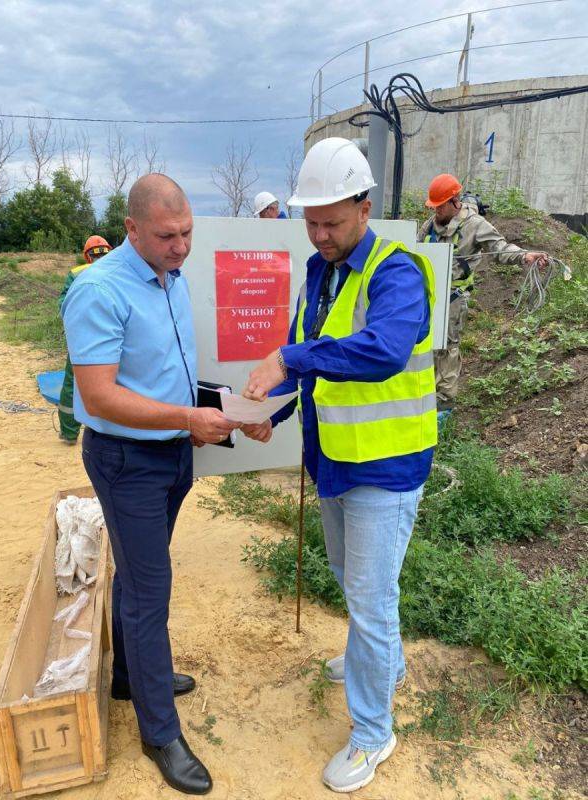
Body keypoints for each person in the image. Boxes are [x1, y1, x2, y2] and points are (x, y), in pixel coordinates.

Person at [241, 138, 437, 793]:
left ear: (365, 205)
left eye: (333, 221)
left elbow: (381, 351)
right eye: (311, 221)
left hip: (387, 466)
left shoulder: (398, 271)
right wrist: (277, 407)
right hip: (333, 459)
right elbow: (309, 349)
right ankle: (385, 663)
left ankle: (372, 734)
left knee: (370, 599)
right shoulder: (319, 271)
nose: (320, 234)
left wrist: (290, 363)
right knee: (350, 580)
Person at [62, 173, 240, 796]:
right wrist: (187, 418)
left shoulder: (171, 277)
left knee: (141, 574)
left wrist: (220, 412)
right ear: (132, 230)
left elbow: (169, 369)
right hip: (126, 461)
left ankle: (132, 677)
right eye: (167, 236)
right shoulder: (98, 289)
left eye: (187, 232)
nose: (181, 246)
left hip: (171, 454)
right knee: (149, 587)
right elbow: (99, 393)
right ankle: (158, 730)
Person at [418, 173, 548, 412]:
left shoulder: (475, 225)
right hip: (426, 296)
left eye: (439, 206)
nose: (435, 211)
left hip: (453, 298)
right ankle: (425, 391)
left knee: (446, 346)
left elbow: (499, 248)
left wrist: (524, 256)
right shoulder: (430, 225)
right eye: (433, 206)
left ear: (454, 201)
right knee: (424, 343)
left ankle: (444, 402)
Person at [57, 235, 112, 444]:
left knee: (73, 382)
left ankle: (70, 433)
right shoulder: (121, 270)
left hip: (83, 339)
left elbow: (64, 305)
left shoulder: (76, 273)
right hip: (115, 337)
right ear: (109, 251)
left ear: (87, 256)